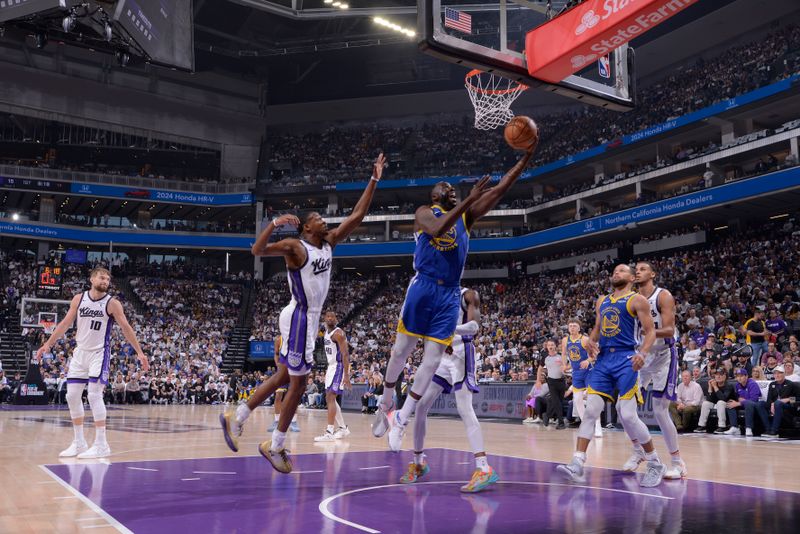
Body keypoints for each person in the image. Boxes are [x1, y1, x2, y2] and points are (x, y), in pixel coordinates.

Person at [220, 153, 385, 473]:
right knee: (298, 384)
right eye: (319, 220)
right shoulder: (296, 247)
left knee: (286, 377)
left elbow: (358, 215)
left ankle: (237, 417)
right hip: (298, 318)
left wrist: (374, 179)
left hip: (307, 321)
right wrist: (274, 224)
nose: (326, 222)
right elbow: (257, 251)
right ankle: (275, 444)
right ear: (308, 227)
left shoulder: (329, 242)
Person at [374, 148, 536, 452]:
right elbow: (437, 228)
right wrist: (469, 198)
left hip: (448, 292)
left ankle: (401, 420)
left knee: (432, 359)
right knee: (400, 351)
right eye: (445, 187)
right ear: (436, 195)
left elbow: (500, 190)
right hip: (422, 285)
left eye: (454, 188)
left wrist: (526, 159)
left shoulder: (466, 215)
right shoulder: (424, 212)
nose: (450, 189)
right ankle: (386, 400)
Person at [556, 263, 665, 488]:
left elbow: (651, 331)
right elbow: (597, 327)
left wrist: (643, 353)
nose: (616, 273)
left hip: (626, 359)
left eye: (622, 271)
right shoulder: (602, 300)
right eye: (614, 271)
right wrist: (591, 342)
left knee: (627, 414)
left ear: (633, 278)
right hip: (604, 361)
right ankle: (578, 462)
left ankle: (655, 462)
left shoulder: (637, 300)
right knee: (590, 411)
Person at [36, 266, 149, 459]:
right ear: (92, 279)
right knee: (72, 396)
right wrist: (47, 344)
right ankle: (79, 442)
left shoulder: (112, 303)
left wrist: (140, 352)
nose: (105, 281)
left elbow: (126, 327)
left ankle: (101, 444)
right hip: (80, 352)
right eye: (102, 278)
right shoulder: (79, 299)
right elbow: (64, 324)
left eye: (107, 279)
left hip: (99, 352)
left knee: (94, 395)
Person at [399, 288, 498, 492]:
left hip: (462, 353)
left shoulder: (468, 295)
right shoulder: (430, 297)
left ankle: (484, 468)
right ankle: (418, 463)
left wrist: (450, 329)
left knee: (464, 408)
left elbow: (473, 327)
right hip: (442, 356)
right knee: (421, 405)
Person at [622, 262, 685, 479]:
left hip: (663, 356)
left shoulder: (662, 295)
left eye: (642, 269)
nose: (637, 271)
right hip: (641, 356)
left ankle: (677, 462)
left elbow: (668, 329)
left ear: (652, 274)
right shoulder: (630, 299)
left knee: (659, 411)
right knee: (623, 409)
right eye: (635, 269)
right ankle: (639, 450)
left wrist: (648, 333)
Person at [314, 311, 352, 442]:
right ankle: (342, 428)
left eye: (332, 316)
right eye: (328, 316)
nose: (330, 318)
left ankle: (330, 431)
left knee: (331, 397)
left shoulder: (338, 334)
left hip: (339, 366)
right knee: (329, 398)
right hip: (331, 366)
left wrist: (346, 375)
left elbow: (346, 354)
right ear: (324, 319)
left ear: (336, 319)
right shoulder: (325, 331)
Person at [561, 319, 603, 437]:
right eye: (570, 326)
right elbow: (564, 354)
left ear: (579, 328)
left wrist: (587, 360)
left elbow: (595, 353)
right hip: (576, 372)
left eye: (574, 326)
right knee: (577, 399)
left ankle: (598, 426)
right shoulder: (565, 340)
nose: (572, 328)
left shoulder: (584, 340)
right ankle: (586, 424)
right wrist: (564, 365)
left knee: (592, 399)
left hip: (588, 371)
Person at [268, 335, 300, 433]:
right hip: (282, 370)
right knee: (278, 395)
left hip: (294, 370)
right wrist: (278, 364)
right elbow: (276, 354)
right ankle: (277, 420)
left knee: (294, 397)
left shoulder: (297, 339)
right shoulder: (279, 339)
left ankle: (293, 421)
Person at [694, 367, 737, 434]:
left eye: (720, 375)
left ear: (725, 376)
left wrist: (715, 387)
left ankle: (722, 426)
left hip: (728, 405)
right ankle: (702, 426)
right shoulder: (713, 384)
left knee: (720, 402)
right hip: (717, 404)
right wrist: (710, 388)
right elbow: (710, 399)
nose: (718, 376)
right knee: (706, 403)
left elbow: (723, 398)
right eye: (716, 375)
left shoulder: (729, 386)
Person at [727, 368, 769, 437]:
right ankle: (734, 427)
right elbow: (737, 396)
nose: (739, 378)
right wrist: (737, 400)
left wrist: (740, 403)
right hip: (745, 403)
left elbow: (754, 399)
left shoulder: (752, 384)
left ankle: (748, 428)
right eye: (737, 376)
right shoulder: (737, 385)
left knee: (749, 403)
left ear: (746, 376)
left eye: (741, 376)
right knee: (730, 403)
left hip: (755, 405)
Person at [761, 365, 800, 438]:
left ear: (784, 374)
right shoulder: (772, 384)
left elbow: (798, 399)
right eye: (775, 373)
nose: (777, 375)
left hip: (789, 407)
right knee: (760, 404)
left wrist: (788, 399)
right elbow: (769, 399)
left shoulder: (791, 384)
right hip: (775, 406)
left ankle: (774, 431)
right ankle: (768, 428)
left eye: (779, 373)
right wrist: (772, 404)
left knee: (778, 403)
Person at [543, 339, 567, 429]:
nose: (551, 346)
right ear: (547, 347)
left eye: (552, 345)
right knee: (556, 402)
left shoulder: (561, 356)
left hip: (561, 381)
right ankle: (561, 423)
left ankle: (547, 415)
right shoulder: (545, 358)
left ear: (555, 346)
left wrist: (564, 368)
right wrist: (538, 379)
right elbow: (541, 368)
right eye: (549, 345)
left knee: (559, 402)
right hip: (551, 382)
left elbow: (567, 365)